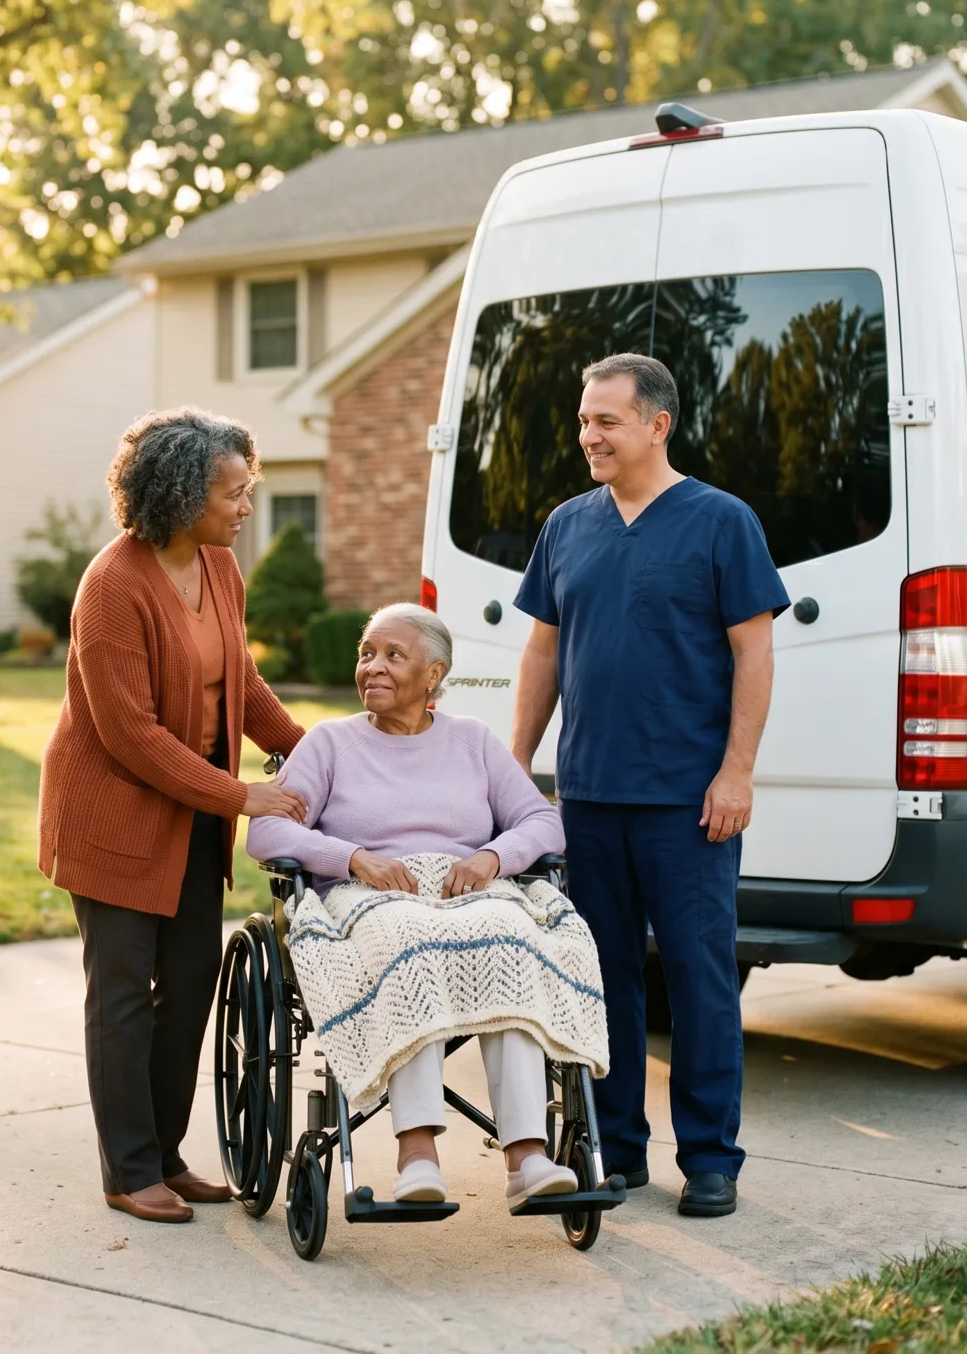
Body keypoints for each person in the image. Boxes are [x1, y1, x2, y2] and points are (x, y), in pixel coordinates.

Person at [511, 353, 790, 1219]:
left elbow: (753, 652)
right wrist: (512, 770)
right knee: (603, 981)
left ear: (655, 425)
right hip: (589, 797)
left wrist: (735, 772)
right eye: (584, 420)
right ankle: (617, 1145)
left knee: (701, 979)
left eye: (605, 421)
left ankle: (709, 1157)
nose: (587, 435)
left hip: (687, 802)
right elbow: (543, 652)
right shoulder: (567, 524)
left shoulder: (721, 522)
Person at [38, 407, 308, 1224]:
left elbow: (242, 682)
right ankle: (126, 1169)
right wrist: (242, 794)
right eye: (233, 492)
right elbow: (130, 735)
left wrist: (312, 754)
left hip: (192, 815)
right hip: (114, 815)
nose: (245, 507)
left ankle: (164, 1153)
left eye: (248, 490)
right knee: (120, 991)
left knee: (188, 984)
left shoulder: (219, 570)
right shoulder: (112, 586)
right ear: (183, 492)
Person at [247, 604, 597, 1211]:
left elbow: (543, 821)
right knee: (407, 941)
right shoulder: (329, 743)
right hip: (370, 898)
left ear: (434, 675)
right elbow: (268, 835)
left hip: (469, 891)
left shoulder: (474, 742)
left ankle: (527, 1159)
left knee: (509, 938)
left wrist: (492, 857)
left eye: (392, 656)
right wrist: (354, 857)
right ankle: (416, 1155)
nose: (372, 668)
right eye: (366, 654)